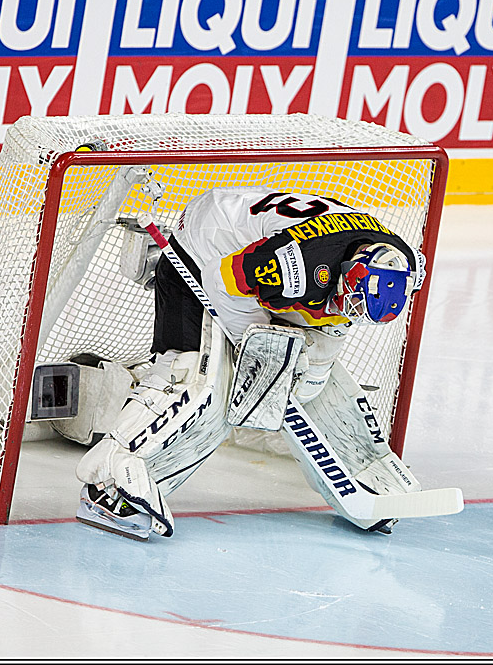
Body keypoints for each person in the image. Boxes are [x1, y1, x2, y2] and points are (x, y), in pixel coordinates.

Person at [74, 186, 427, 541]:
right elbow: (220, 280)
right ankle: (111, 482)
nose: (344, 310)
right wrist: (253, 342)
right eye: (344, 299)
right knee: (202, 383)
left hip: (281, 256)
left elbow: (339, 311)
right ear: (349, 271)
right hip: (207, 248)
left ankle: (368, 475)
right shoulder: (293, 266)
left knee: (310, 379)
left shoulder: (403, 264)